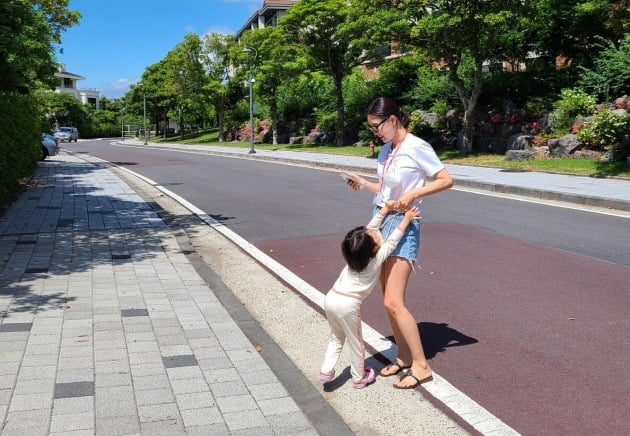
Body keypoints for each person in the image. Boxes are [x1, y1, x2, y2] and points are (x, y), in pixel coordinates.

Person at [345, 96, 453, 389]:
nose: (375, 132)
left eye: (377, 126)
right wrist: (363, 184)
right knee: (387, 301)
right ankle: (404, 356)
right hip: (381, 220)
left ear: (393, 120)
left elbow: (446, 180)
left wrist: (415, 195)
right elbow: (385, 187)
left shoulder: (417, 147)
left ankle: (422, 366)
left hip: (405, 223)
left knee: (394, 301)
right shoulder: (385, 150)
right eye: (372, 128)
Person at [319, 201, 421, 389]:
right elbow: (393, 240)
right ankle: (359, 377)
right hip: (348, 305)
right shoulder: (376, 259)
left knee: (336, 337)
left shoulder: (355, 256)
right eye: (374, 236)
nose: (375, 231)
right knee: (356, 342)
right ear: (374, 250)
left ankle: (326, 371)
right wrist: (406, 219)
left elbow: (369, 229)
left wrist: (385, 209)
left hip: (331, 298)